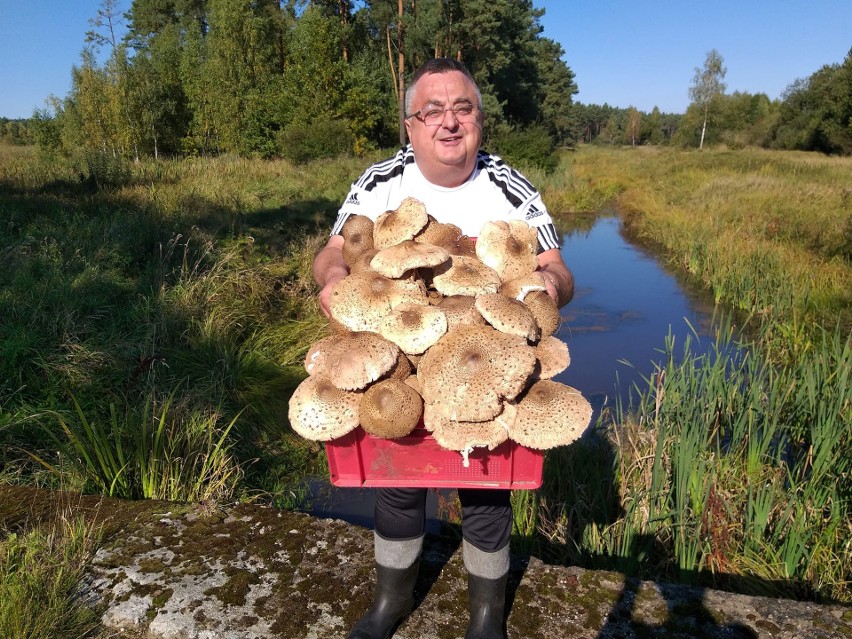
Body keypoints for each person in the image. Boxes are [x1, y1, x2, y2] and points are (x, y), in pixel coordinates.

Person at [312, 58, 574, 639]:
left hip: (481, 359)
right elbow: (332, 253)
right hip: (396, 354)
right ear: (411, 124)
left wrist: (546, 288)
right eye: (432, 110)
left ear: (480, 120)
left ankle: (486, 616)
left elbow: (558, 269)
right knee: (397, 482)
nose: (448, 122)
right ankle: (391, 602)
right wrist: (333, 281)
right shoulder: (381, 183)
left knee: (485, 489)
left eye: (463, 108)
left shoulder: (511, 189)